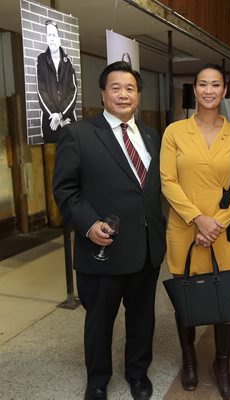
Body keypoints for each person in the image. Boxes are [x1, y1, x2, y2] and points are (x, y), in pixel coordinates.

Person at [52, 61, 166, 400]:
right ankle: (97, 381)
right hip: (104, 248)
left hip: (146, 247)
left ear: (138, 95)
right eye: (115, 87)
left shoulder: (150, 135)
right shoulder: (79, 134)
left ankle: (138, 374)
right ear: (102, 93)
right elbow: (65, 190)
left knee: (142, 318)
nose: (123, 94)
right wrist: (88, 225)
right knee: (100, 322)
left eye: (130, 88)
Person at [160, 63, 230, 400]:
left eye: (216, 84)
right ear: (194, 90)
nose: (209, 90)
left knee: (224, 298)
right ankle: (189, 361)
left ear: (224, 90)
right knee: (187, 296)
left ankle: (222, 366)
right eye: (203, 84)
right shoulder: (175, 132)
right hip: (184, 228)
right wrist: (198, 219)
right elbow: (167, 181)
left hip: (223, 230)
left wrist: (215, 224)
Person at [36, 19, 77, 143]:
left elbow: (73, 91)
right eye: (49, 35)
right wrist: (54, 114)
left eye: (54, 35)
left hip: (68, 118)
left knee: (71, 153)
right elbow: (41, 90)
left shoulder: (68, 62)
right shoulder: (41, 60)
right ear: (46, 39)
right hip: (50, 119)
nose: (51, 38)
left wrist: (61, 115)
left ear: (59, 39)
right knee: (50, 156)